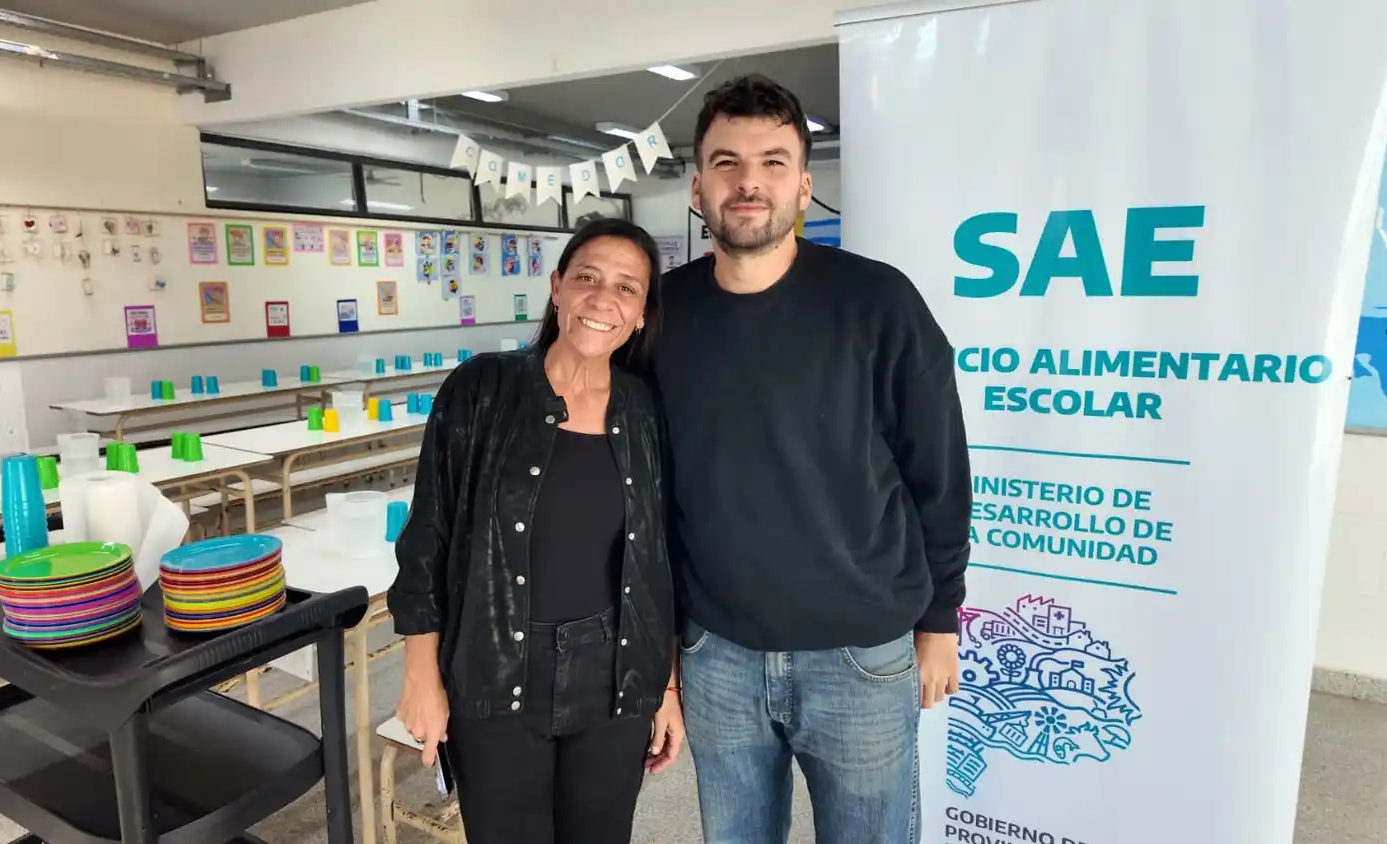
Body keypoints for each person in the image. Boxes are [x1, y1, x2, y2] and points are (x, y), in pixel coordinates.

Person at [653, 74, 972, 844]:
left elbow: (939, 471)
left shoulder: (879, 303)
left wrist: (941, 619)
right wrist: (663, 654)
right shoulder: (663, 316)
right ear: (698, 187)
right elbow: (647, 498)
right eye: (727, 163)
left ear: (803, 185)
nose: (748, 183)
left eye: (772, 162)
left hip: (860, 656)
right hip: (717, 654)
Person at [388, 217, 684, 844]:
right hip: (495, 666)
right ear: (556, 288)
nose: (603, 299)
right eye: (587, 278)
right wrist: (421, 676)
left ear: (641, 315)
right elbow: (425, 541)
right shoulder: (482, 390)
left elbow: (662, 561)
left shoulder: (647, 409)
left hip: (615, 674)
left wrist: (664, 684)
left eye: (627, 288)